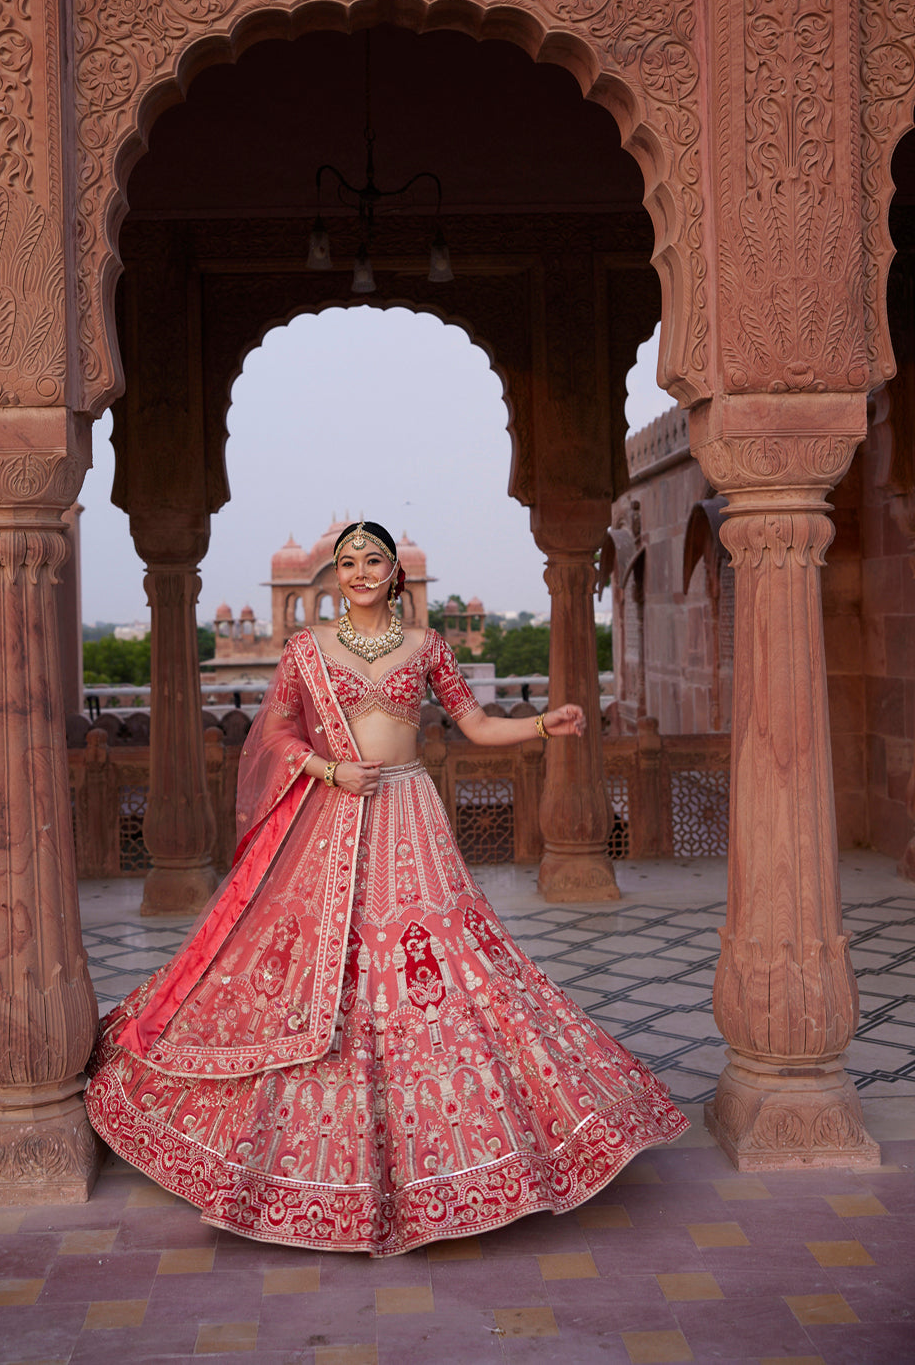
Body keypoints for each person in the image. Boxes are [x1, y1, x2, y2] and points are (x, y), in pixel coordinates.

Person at [85, 521, 687, 1255]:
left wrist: (540, 724)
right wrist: (329, 770)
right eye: (348, 562)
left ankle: (466, 1158)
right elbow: (275, 738)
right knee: (313, 966)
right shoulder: (307, 651)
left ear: (395, 572)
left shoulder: (426, 646)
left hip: (410, 814)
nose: (361, 571)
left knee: (443, 967)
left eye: (373, 560)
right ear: (334, 575)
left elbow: (473, 725)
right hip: (334, 814)